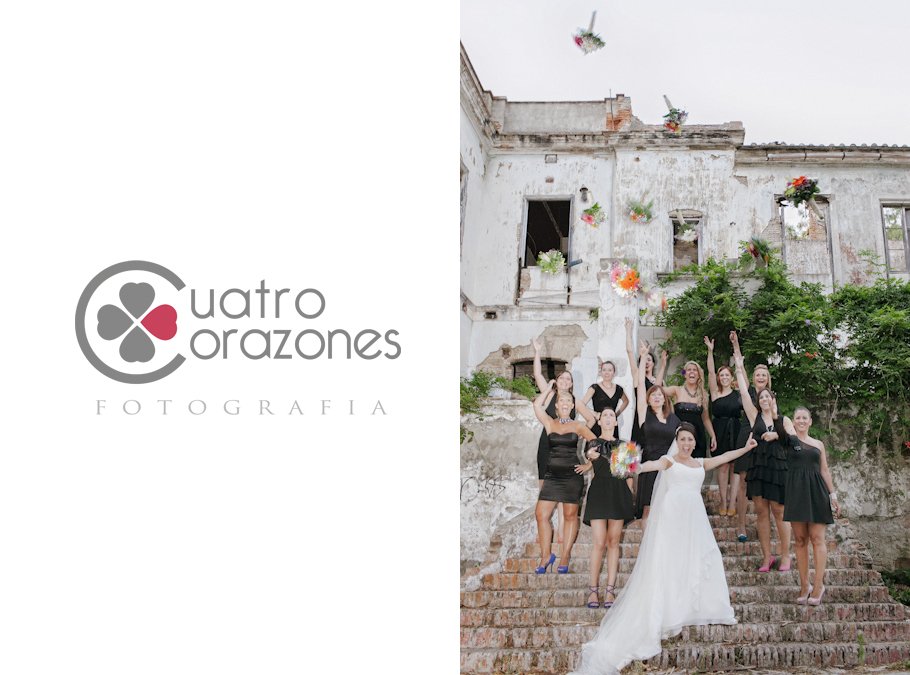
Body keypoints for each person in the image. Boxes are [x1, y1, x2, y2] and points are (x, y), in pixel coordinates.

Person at [569, 423, 758, 674]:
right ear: (677, 441)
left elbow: (724, 457)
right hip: (672, 515)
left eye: (690, 440)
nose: (687, 444)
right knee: (669, 560)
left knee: (703, 556)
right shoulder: (669, 460)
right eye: (683, 439)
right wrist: (624, 463)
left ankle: (702, 604)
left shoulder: (700, 463)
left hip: (694, 518)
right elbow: (647, 466)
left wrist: (745, 448)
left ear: (694, 442)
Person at [531, 338, 595, 549]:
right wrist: (538, 351)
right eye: (563, 378)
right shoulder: (549, 395)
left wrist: (582, 433)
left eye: (569, 379)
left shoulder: (573, 402)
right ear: (558, 381)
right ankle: (546, 533)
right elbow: (538, 375)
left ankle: (560, 530)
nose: (565, 380)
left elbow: (591, 420)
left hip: (565, 450)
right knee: (546, 487)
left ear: (572, 384)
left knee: (564, 493)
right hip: (546, 444)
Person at [733, 351, 792, 572]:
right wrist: (739, 367)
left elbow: (793, 441)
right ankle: (767, 557)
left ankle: (786, 556)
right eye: (762, 397)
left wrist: (777, 435)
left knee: (779, 510)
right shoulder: (754, 416)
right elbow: (743, 392)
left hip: (777, 468)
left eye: (768, 396)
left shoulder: (782, 420)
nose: (764, 399)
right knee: (760, 511)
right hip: (757, 467)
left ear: (773, 399)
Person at [532, 387, 597, 575]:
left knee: (570, 516)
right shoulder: (549, 423)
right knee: (541, 515)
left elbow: (597, 443)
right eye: (562, 401)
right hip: (551, 476)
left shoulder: (579, 426)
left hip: (571, 476)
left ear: (572, 406)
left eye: (569, 401)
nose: (566, 403)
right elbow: (537, 405)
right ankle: (546, 556)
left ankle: (565, 555)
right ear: (557, 406)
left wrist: (588, 465)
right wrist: (551, 386)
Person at [784, 407, 840, 605]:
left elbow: (824, 470)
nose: (801, 420)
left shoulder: (819, 444)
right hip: (796, 492)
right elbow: (780, 420)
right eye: (797, 417)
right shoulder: (789, 441)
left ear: (810, 422)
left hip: (817, 492)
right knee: (800, 540)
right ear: (794, 421)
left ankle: (818, 586)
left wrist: (833, 494)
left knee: (817, 539)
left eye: (804, 418)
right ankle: (804, 584)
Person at [580, 408, 634, 609]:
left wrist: (631, 497)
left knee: (613, 542)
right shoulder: (592, 444)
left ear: (616, 422)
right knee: (599, 542)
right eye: (605, 416)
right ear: (600, 421)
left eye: (612, 416)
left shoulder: (625, 445)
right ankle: (593, 590)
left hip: (619, 492)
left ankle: (609, 590)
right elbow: (588, 457)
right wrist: (589, 456)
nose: (609, 418)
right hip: (599, 492)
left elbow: (628, 474)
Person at [730, 331, 772, 542]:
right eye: (758, 375)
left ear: (768, 378)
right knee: (744, 481)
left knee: (763, 482)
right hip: (746, 435)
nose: (761, 377)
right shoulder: (748, 391)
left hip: (764, 438)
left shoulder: (771, 397)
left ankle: (762, 522)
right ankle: (741, 525)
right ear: (754, 378)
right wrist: (736, 345)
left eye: (764, 375)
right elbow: (739, 369)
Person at [633, 342, 680, 527]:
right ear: (648, 399)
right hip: (650, 465)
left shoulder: (674, 419)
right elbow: (639, 386)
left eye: (660, 394)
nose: (657, 397)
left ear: (665, 398)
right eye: (653, 395)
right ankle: (648, 551)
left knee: (668, 510)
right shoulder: (644, 412)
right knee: (648, 510)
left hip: (669, 467)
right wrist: (644, 355)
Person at [704, 336, 742, 516]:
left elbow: (741, 370)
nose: (724, 377)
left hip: (736, 429)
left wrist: (736, 346)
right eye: (722, 375)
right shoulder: (715, 392)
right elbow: (710, 372)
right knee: (723, 465)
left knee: (735, 466)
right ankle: (723, 500)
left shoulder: (739, 393)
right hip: (719, 430)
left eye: (727, 375)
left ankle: (733, 502)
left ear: (732, 377)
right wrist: (710, 351)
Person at [624, 318, 667, 447]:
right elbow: (630, 352)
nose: (647, 362)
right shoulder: (637, 376)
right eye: (644, 359)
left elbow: (658, 387)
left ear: (653, 364)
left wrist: (664, 364)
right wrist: (628, 331)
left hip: (655, 418)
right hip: (640, 417)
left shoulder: (657, 382)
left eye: (649, 359)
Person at [662, 360, 717, 459]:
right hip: (679, 437)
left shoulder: (703, 395)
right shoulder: (676, 390)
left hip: (698, 438)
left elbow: (706, 419)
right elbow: (656, 391)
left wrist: (713, 436)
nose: (692, 372)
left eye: (695, 370)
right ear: (684, 374)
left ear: (699, 374)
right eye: (689, 370)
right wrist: (663, 365)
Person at [578, 359, 629, 437]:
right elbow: (581, 405)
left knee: (613, 448)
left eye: (609, 370)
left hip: (612, 425)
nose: (607, 373)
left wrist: (616, 414)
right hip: (598, 425)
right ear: (601, 372)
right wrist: (594, 414)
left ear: (614, 373)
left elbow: (626, 401)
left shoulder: (619, 389)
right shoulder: (594, 387)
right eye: (604, 370)